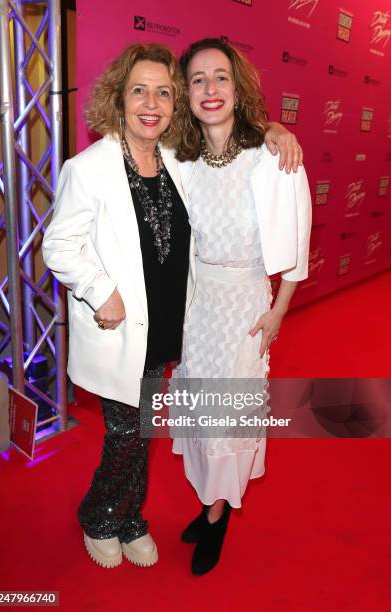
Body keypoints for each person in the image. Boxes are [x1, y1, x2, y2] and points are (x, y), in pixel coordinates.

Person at [42, 42, 302, 570]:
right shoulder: (96, 166)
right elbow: (58, 245)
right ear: (119, 97)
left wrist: (275, 128)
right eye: (140, 90)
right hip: (133, 324)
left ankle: (154, 515)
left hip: (183, 322)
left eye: (164, 91)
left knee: (163, 426)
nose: (152, 102)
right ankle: (101, 515)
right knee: (127, 431)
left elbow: (244, 152)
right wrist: (100, 290)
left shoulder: (174, 159)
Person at [171, 38, 312, 576]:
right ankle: (210, 501)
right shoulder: (182, 159)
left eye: (221, 77)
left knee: (228, 415)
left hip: (245, 306)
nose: (211, 89)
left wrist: (278, 311)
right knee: (201, 408)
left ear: (238, 87)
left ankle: (216, 516)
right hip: (197, 305)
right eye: (199, 79)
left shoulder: (270, 158)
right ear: (186, 92)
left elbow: (296, 250)